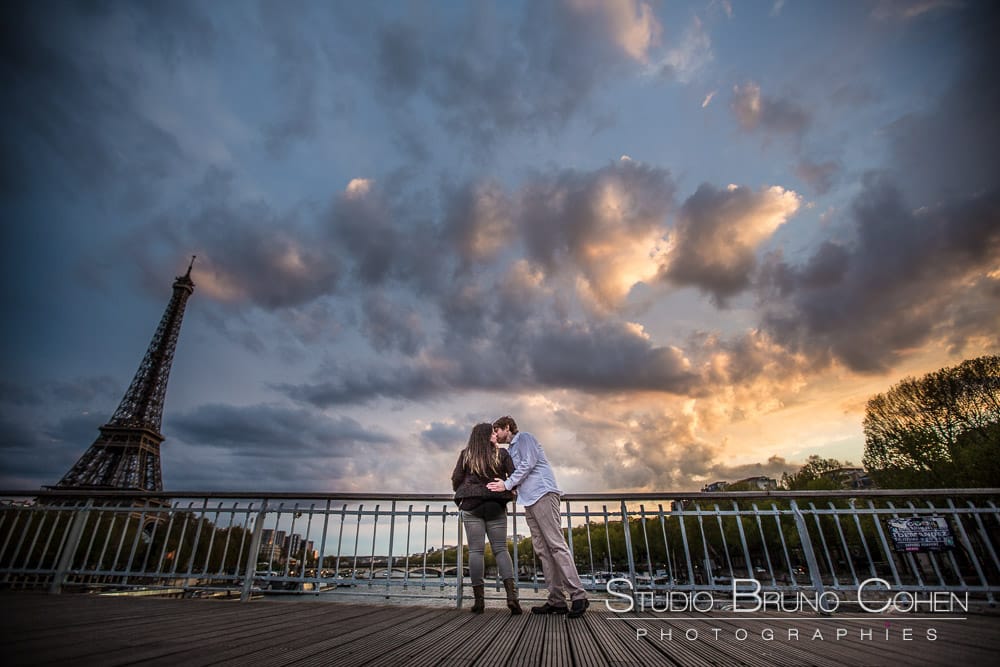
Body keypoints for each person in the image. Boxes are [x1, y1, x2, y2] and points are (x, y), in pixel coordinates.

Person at [487, 416, 589, 617]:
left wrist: (507, 485)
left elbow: (528, 464)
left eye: (496, 430)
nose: (496, 434)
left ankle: (579, 596)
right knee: (543, 550)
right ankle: (557, 601)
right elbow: (516, 470)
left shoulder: (525, 438)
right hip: (529, 499)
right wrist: (514, 486)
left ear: (507, 427)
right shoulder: (510, 450)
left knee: (556, 545)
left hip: (542, 493)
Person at [451, 422, 521, 614]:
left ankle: (479, 601)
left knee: (476, 551)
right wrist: (505, 484)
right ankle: (512, 597)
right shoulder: (502, 454)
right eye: (492, 433)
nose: (495, 436)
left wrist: (468, 489)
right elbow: (515, 477)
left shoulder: (466, 454)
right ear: (485, 436)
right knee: (500, 549)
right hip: (495, 505)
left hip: (471, 506)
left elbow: (456, 479)